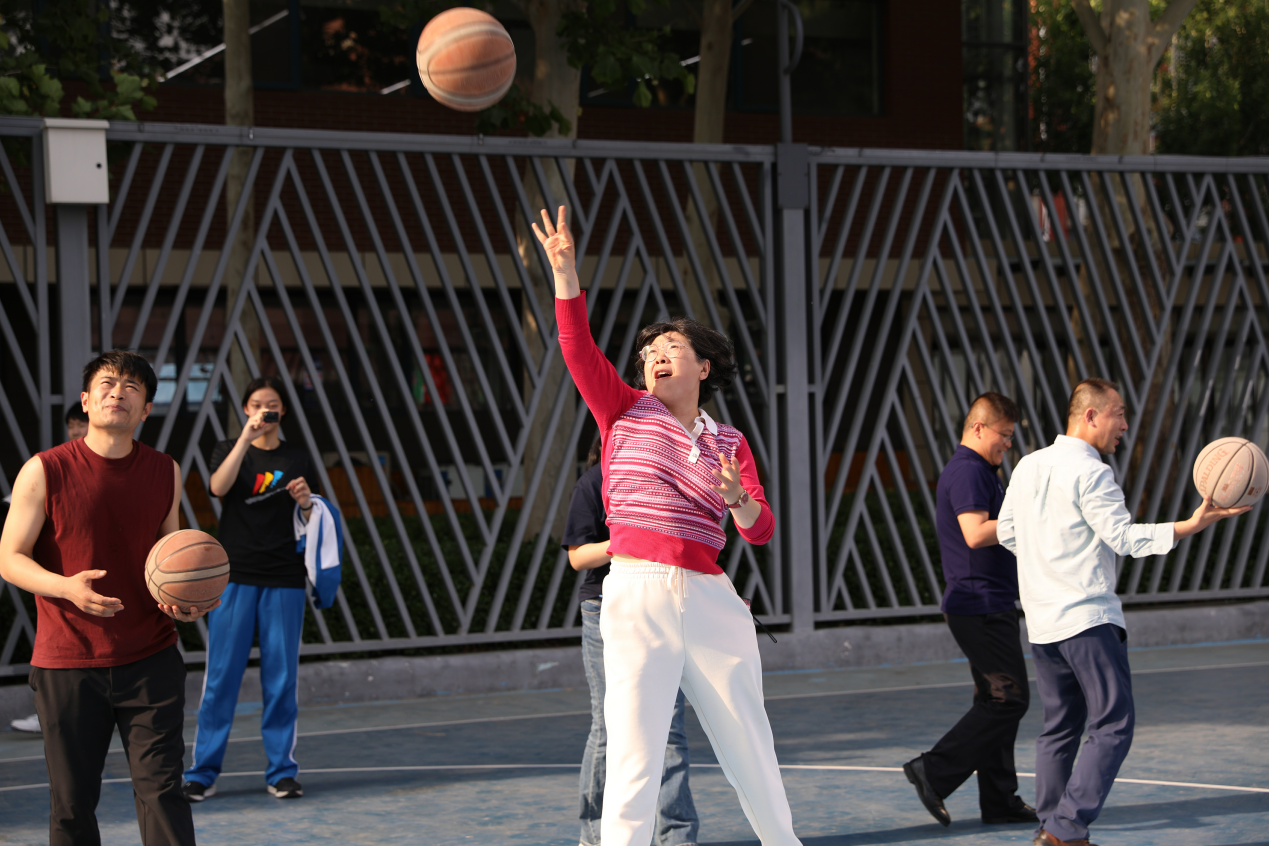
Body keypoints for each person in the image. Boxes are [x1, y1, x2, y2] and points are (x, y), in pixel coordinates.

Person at [535, 206, 801, 846]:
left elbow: (760, 530)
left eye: (671, 349)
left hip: (710, 596)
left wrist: (738, 500)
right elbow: (577, 348)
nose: (655, 357)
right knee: (634, 753)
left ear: (703, 367)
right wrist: (566, 273)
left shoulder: (730, 441)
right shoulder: (621, 411)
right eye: (649, 353)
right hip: (638, 591)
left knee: (751, 743)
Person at [997, 378, 1250, 846]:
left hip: (1042, 623)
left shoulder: (1027, 465)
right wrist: (1191, 524)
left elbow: (1008, 532)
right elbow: (1125, 538)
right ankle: (1065, 830)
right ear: (1090, 415)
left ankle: (1052, 828)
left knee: (1058, 729)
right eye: (1119, 413)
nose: (1125, 425)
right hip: (1086, 620)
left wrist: (1046, 563)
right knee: (1113, 723)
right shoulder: (1092, 472)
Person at [0, 350, 211, 846]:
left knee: (163, 793)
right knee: (72, 805)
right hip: (69, 661)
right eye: (107, 384)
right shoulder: (44, 469)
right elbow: (9, 558)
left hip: (151, 657)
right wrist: (65, 587)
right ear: (86, 400)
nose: (118, 393)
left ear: (146, 410)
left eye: (132, 387)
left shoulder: (165, 470)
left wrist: (183, 599)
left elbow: (168, 558)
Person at [904, 392, 1037, 827]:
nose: (1008, 444)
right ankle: (933, 770)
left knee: (995, 698)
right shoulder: (968, 471)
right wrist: (1030, 520)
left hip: (986, 602)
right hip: (979, 605)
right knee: (1009, 698)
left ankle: (999, 800)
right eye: (1004, 435)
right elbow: (975, 533)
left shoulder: (981, 471)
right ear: (978, 428)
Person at [183, 376, 316, 802]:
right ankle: (202, 772)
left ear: (283, 410)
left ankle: (282, 772)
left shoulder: (297, 456)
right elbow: (217, 488)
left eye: (272, 404)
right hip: (235, 575)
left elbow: (311, 518)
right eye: (257, 404)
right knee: (221, 677)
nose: (264, 410)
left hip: (284, 576)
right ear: (246, 409)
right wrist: (245, 438)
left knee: (281, 679)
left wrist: (306, 503)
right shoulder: (229, 448)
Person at [567, 435, 700, 846]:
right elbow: (577, 557)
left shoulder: (665, 478)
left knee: (669, 728)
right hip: (604, 609)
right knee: (609, 725)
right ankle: (595, 835)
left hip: (660, 608)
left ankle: (676, 836)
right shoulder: (593, 483)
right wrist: (624, 540)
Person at [6, 407, 93, 736]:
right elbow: (12, 557)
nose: (75, 431)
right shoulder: (49, 468)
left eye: (80, 424)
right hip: (58, 592)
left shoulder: (140, 470)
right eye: (71, 426)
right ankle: (46, 710)